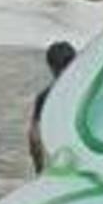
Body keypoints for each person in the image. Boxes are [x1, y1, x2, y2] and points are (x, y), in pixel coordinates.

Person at [30, 41, 77, 172]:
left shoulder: (44, 97)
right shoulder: (90, 92)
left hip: (59, 161)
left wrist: (39, 171)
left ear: (51, 67)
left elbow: (34, 138)